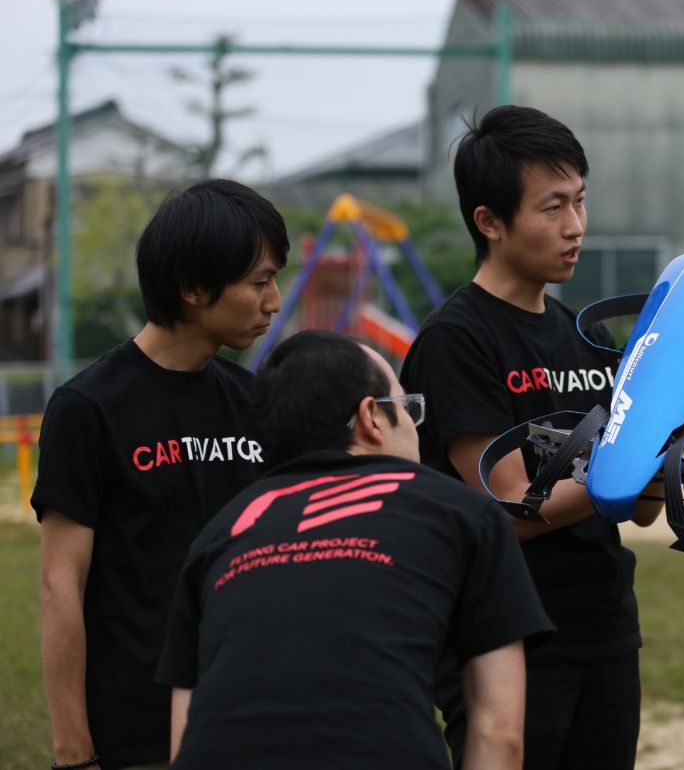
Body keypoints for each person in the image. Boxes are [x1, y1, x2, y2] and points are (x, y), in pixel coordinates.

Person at [400, 104, 663, 770]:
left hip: (604, 625)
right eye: (551, 208)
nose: (575, 226)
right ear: (488, 222)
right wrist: (622, 470)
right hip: (506, 637)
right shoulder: (455, 341)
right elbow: (513, 509)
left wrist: (675, 437)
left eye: (579, 201)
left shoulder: (588, 335)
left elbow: (642, 506)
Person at [155, 331, 552, 769]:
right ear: (371, 417)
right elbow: (500, 733)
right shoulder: (461, 511)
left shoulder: (220, 532)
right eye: (407, 409)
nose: (416, 428)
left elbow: (183, 737)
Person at [33, 179, 288, 770]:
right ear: (193, 288)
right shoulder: (88, 408)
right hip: (137, 733)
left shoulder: (257, 402)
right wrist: (75, 750)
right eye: (258, 281)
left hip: (251, 714)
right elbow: (58, 585)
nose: (274, 300)